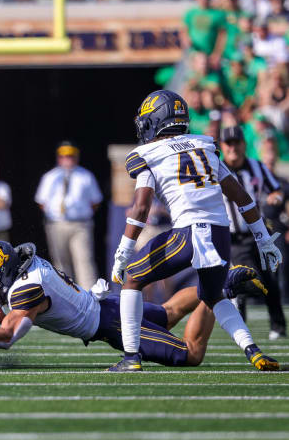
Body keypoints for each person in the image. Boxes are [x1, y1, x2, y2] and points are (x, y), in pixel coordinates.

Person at [109, 89, 280, 371]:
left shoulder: (147, 154)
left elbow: (140, 208)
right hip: (220, 234)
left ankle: (131, 358)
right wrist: (263, 239)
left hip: (186, 234)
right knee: (214, 296)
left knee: (132, 279)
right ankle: (253, 351)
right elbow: (243, 198)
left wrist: (123, 250)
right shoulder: (205, 146)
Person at [0, 240, 266, 368]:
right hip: (106, 305)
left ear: (6, 274)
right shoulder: (26, 263)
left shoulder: (25, 290)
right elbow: (5, 309)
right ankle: (218, 282)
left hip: (110, 324)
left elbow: (10, 335)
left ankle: (218, 290)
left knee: (191, 354)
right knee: (167, 313)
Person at [220, 125, 287, 340]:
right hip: (230, 236)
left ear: (244, 144)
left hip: (256, 234)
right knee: (247, 275)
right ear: (222, 146)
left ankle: (278, 326)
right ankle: (241, 323)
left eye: (236, 143)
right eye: (228, 144)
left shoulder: (257, 167)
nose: (233, 148)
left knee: (269, 279)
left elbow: (277, 188)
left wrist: (275, 198)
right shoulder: (216, 169)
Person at [35, 141, 102, 290]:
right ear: (59, 158)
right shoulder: (50, 177)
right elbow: (41, 201)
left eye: (71, 156)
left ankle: (91, 296)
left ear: (76, 158)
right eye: (64, 156)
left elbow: (95, 201)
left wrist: (81, 213)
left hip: (80, 225)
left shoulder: (86, 176)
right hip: (57, 224)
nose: (68, 160)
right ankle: (66, 295)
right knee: (60, 263)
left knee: (84, 261)